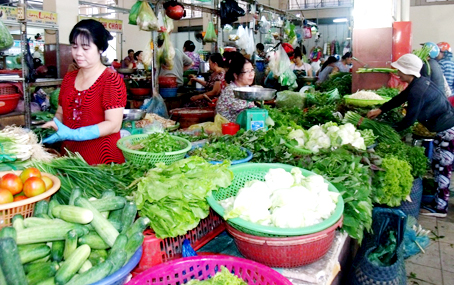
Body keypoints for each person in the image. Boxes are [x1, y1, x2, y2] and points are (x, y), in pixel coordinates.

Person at [367, 53, 454, 217]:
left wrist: (389, 132)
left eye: (400, 70)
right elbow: (400, 98)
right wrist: (380, 109)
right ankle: (437, 201)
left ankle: (440, 209)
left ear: (409, 71)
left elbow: (409, 120)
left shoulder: (417, 90)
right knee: (437, 166)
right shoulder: (417, 84)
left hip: (447, 129)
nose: (398, 74)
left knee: (443, 169)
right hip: (444, 127)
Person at [41, 19, 127, 165]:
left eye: (86, 48)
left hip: (102, 160)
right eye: (74, 47)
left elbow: (113, 124)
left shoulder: (111, 80)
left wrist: (76, 134)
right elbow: (61, 112)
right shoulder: (69, 78)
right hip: (70, 158)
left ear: (100, 49)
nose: (78, 53)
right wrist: (54, 125)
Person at [216, 54, 256, 122]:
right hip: (230, 128)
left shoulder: (245, 87)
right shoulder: (231, 91)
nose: (251, 74)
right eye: (247, 71)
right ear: (236, 75)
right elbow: (248, 114)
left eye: (252, 70)